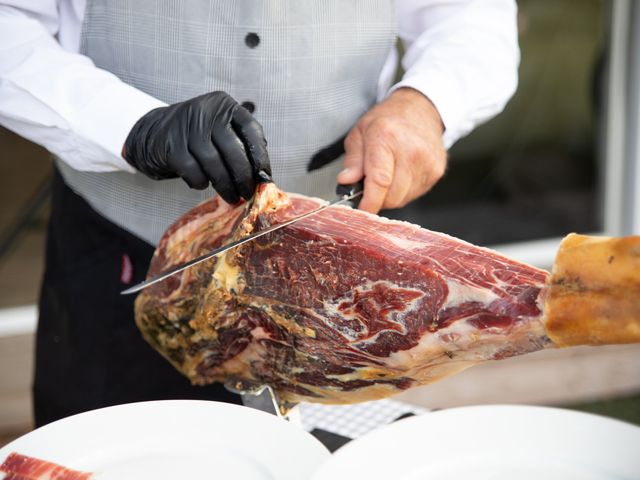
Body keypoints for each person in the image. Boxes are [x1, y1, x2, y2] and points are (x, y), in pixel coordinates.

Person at [0, 0, 520, 426]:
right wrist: (130, 125)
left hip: (343, 275)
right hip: (123, 249)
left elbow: (470, 16)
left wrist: (426, 102)